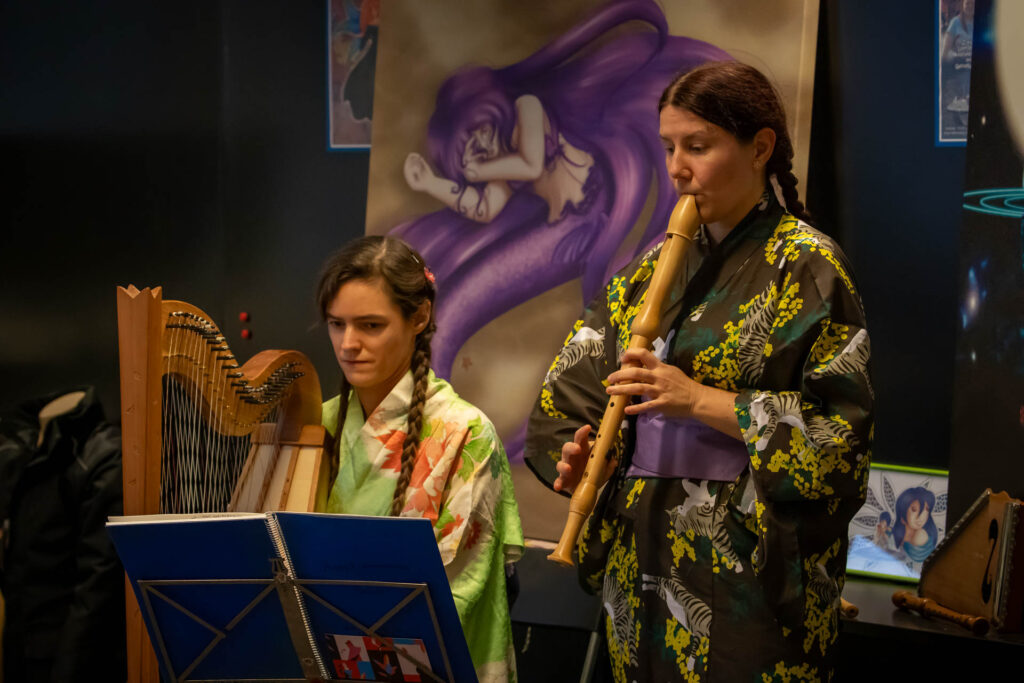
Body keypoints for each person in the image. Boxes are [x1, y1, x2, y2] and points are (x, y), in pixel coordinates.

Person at [525, 61, 874, 681]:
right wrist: (588, 460)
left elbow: (840, 441)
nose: (678, 166)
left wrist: (701, 401)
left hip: (747, 571)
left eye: (699, 145)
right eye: (668, 148)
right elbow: (570, 392)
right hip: (642, 551)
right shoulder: (650, 267)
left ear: (760, 147)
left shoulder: (810, 266)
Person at [394, 0, 730, 380]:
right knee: (452, 314)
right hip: (564, 231)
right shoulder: (499, 163)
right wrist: (433, 184)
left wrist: (482, 166)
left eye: (476, 138)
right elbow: (485, 207)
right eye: (470, 152)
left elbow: (532, 162)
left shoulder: (527, 108)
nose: (481, 152)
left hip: (596, 207)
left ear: (482, 111)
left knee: (614, 329)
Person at [316, 235, 524, 683]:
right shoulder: (318, 426)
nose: (348, 343)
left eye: (370, 325)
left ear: (419, 317)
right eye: (337, 324)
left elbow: (459, 595)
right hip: (325, 653)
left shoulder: (465, 434)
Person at [893, 487, 938, 563]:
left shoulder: (921, 535)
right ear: (903, 511)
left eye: (926, 510)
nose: (921, 517)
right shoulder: (898, 536)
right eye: (914, 510)